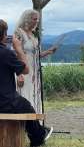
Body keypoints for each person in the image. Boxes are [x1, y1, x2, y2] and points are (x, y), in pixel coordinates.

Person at [0, 19, 53, 147]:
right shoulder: (6, 53)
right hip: (5, 103)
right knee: (26, 106)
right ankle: (38, 137)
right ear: (3, 35)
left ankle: (39, 134)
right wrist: (18, 49)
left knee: (23, 104)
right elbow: (26, 69)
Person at [13, 9, 57, 113]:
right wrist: (19, 74)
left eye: (38, 19)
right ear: (27, 19)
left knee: (34, 95)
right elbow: (15, 54)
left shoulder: (34, 34)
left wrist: (48, 52)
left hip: (34, 72)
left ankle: (36, 124)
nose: (37, 21)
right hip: (23, 71)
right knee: (25, 95)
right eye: (35, 19)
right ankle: (24, 124)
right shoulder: (19, 33)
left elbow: (35, 55)